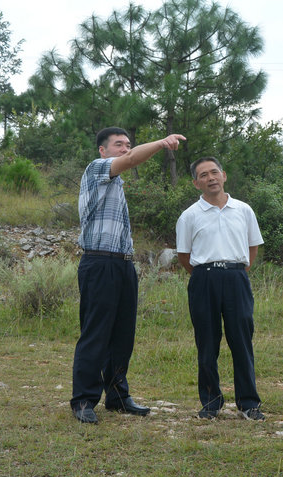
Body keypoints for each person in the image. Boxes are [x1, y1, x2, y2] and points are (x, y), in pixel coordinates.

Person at [71, 127, 186, 424]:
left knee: (123, 335)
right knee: (95, 333)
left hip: (123, 264)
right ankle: (83, 400)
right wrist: (162, 143)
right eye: (118, 144)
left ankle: (118, 396)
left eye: (127, 144)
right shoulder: (96, 169)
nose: (125, 148)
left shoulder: (117, 183)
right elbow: (134, 159)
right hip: (99, 263)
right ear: (102, 150)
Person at [176, 157, 265, 421]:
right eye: (203, 175)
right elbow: (184, 255)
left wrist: (236, 271)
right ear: (196, 183)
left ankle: (248, 404)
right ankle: (211, 403)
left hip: (237, 278)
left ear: (224, 175)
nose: (210, 178)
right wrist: (207, 274)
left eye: (214, 172)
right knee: (207, 342)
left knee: (242, 341)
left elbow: (252, 247)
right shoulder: (189, 215)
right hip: (204, 280)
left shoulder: (244, 210)